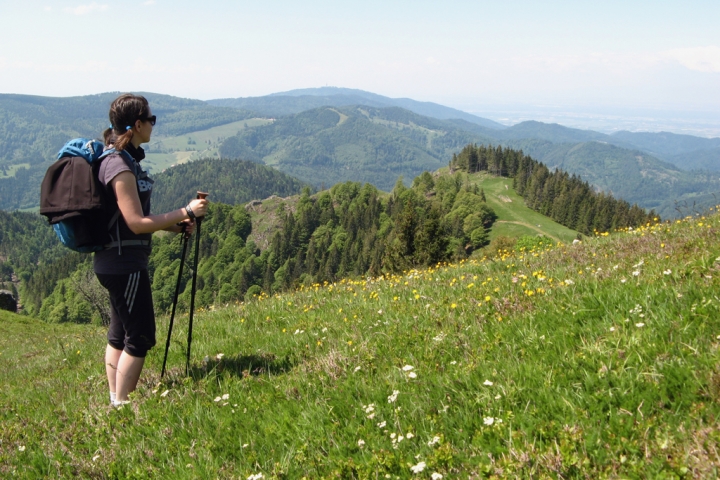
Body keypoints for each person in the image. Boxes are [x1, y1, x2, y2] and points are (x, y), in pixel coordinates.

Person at [95, 93, 208, 406]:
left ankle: (114, 399)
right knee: (141, 335)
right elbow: (135, 222)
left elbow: (133, 220)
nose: (154, 125)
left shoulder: (121, 159)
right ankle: (121, 408)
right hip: (123, 264)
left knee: (120, 334)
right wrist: (185, 212)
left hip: (115, 260)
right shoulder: (118, 165)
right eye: (151, 120)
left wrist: (173, 225)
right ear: (137, 124)